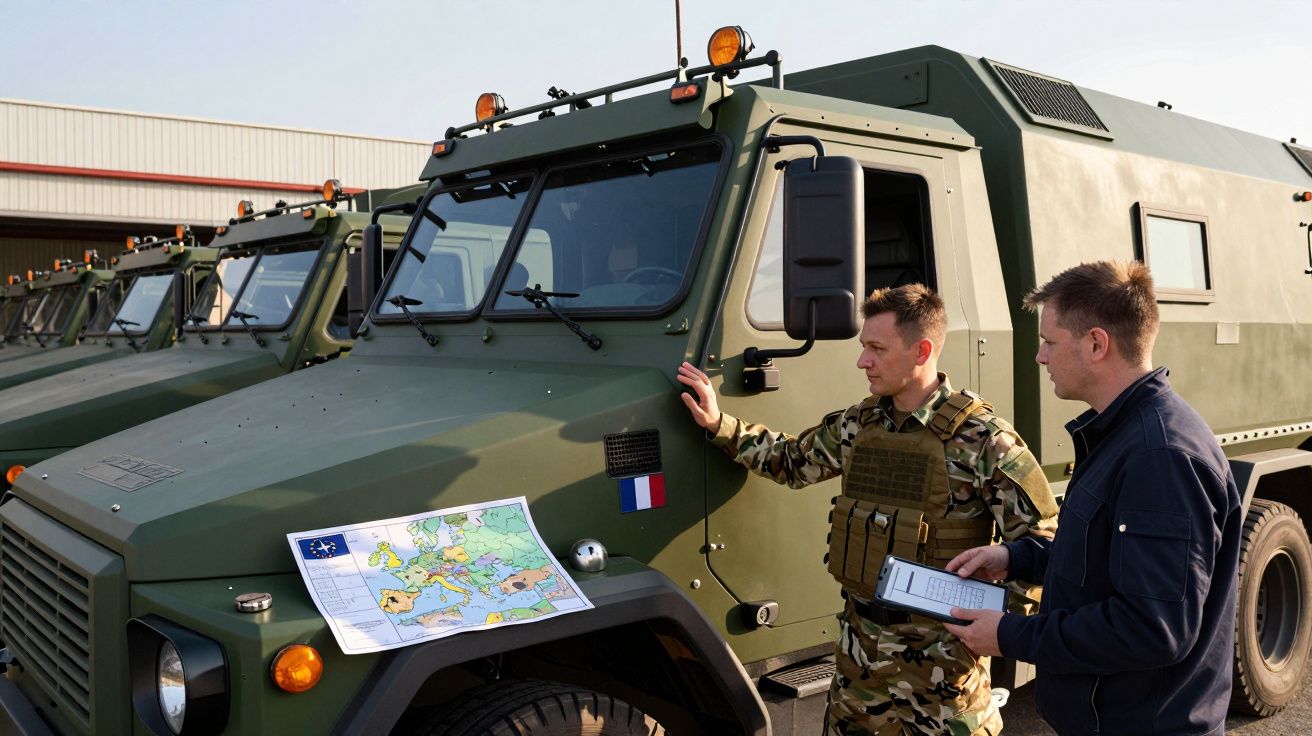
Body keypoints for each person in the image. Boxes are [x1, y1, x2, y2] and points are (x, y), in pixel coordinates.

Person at [677, 284, 1059, 736]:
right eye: (864, 347)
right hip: (858, 664)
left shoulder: (984, 439)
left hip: (943, 673)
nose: (862, 361)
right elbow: (792, 462)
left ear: (921, 351)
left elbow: (1043, 544)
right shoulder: (859, 424)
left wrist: (1001, 630)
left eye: (877, 349)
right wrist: (720, 424)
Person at [944, 261, 1242, 736]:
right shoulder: (1123, 435)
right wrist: (1016, 558)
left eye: (1049, 341)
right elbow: (1106, 558)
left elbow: (1152, 628)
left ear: (1097, 344)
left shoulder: (1159, 458)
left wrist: (1009, 635)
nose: (1040, 357)